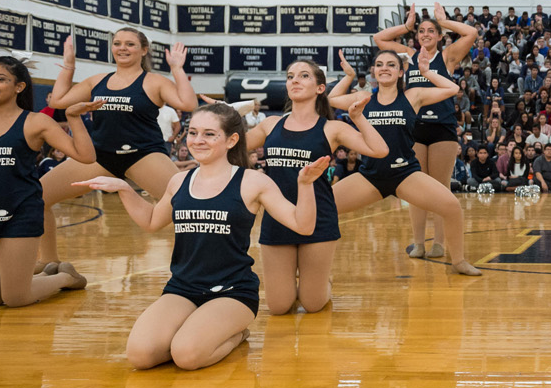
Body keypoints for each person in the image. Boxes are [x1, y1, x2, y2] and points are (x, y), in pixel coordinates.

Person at [77, 103, 328, 370]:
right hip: (183, 289)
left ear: (232, 140)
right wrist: (124, 189)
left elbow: (303, 226)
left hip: (231, 292)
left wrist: (305, 185)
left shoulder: (253, 182)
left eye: (209, 134)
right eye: (193, 132)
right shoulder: (179, 181)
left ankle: (236, 334)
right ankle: (197, 329)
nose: (198, 140)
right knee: (140, 356)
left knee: (186, 355)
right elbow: (151, 221)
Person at [232, 58, 388, 314]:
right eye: (291, 76)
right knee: (279, 307)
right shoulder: (271, 125)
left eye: (304, 76)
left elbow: (380, 150)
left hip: (318, 220)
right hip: (277, 219)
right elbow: (230, 149)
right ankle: (298, 282)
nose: (294, 79)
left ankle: (320, 281)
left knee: (313, 304)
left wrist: (358, 118)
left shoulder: (332, 128)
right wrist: (224, 116)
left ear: (320, 88)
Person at [39, 30, 199, 264]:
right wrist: (69, 65)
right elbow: (58, 101)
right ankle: (50, 264)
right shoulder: (97, 80)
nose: (122, 48)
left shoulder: (154, 82)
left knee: (187, 206)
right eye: (117, 43)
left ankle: (205, 267)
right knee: (37, 197)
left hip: (143, 155)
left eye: (130, 44)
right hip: (99, 155)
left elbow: (188, 103)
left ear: (143, 50)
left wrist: (176, 68)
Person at [328, 50, 480, 275]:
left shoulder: (413, 96)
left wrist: (427, 72)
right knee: (323, 206)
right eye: (379, 64)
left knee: (452, 207)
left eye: (391, 64)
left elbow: (452, 89)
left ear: (401, 72)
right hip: (370, 176)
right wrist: (348, 76)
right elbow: (332, 99)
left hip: (405, 174)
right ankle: (318, 269)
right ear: (374, 71)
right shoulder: (363, 97)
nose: (384, 68)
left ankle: (458, 262)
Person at [0, 57, 101, 308]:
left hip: (19, 214)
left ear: (19, 87)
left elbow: (87, 157)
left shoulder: (35, 122)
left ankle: (65, 277)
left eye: (0, 79)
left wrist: (73, 118)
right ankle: (46, 274)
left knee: (16, 298)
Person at [372, 2, 478, 260]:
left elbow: (471, 34)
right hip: (413, 128)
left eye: (432, 31)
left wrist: (445, 22)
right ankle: (419, 243)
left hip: (442, 127)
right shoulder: (407, 56)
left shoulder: (448, 56)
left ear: (439, 36)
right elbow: (379, 38)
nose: (426, 35)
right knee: (414, 188)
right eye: (421, 31)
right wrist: (406, 26)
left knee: (440, 187)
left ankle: (439, 243)